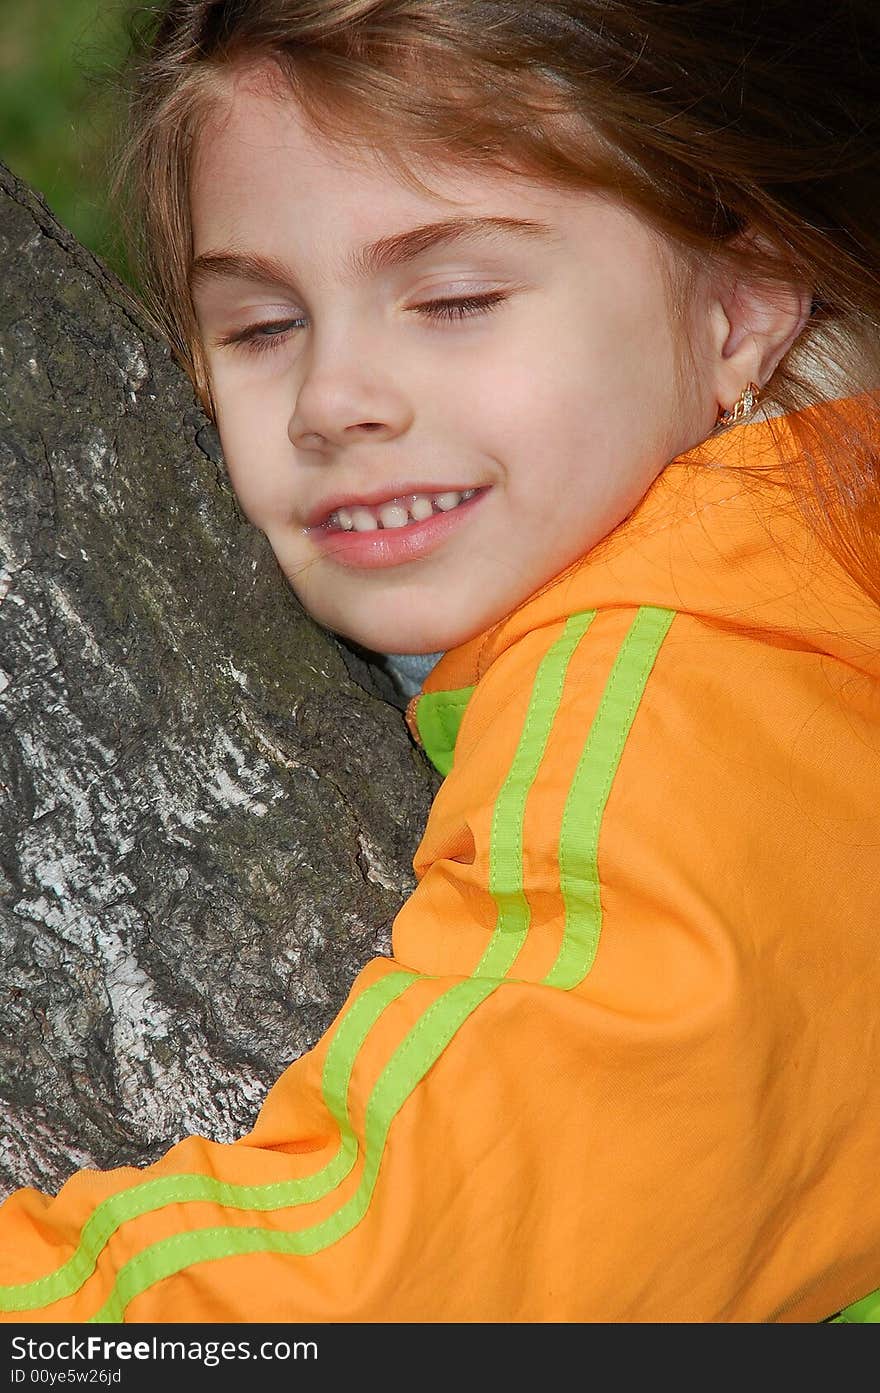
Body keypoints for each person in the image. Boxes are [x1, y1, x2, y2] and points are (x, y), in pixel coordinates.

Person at [1, 0, 879, 1323]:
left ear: (740, 309)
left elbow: (414, 1277)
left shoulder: (674, 704)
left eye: (455, 298)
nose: (335, 396)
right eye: (262, 327)